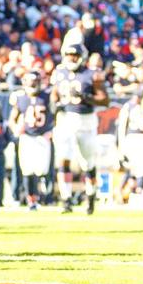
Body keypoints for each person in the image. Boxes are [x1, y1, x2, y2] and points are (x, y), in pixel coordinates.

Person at [50, 42, 107, 214]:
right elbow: (55, 92)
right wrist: (54, 103)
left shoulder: (92, 74)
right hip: (65, 118)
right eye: (68, 55)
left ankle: (90, 195)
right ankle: (66, 199)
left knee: (87, 162)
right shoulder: (60, 72)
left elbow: (105, 100)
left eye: (74, 55)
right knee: (63, 158)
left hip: (86, 119)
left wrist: (87, 97)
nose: (71, 58)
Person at [9, 71, 53, 211]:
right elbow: (12, 118)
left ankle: (46, 196)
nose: (33, 85)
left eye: (35, 82)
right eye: (31, 82)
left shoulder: (46, 97)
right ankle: (31, 200)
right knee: (27, 170)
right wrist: (16, 128)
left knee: (42, 169)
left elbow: (55, 115)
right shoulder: (20, 98)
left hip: (42, 137)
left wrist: (51, 131)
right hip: (27, 137)